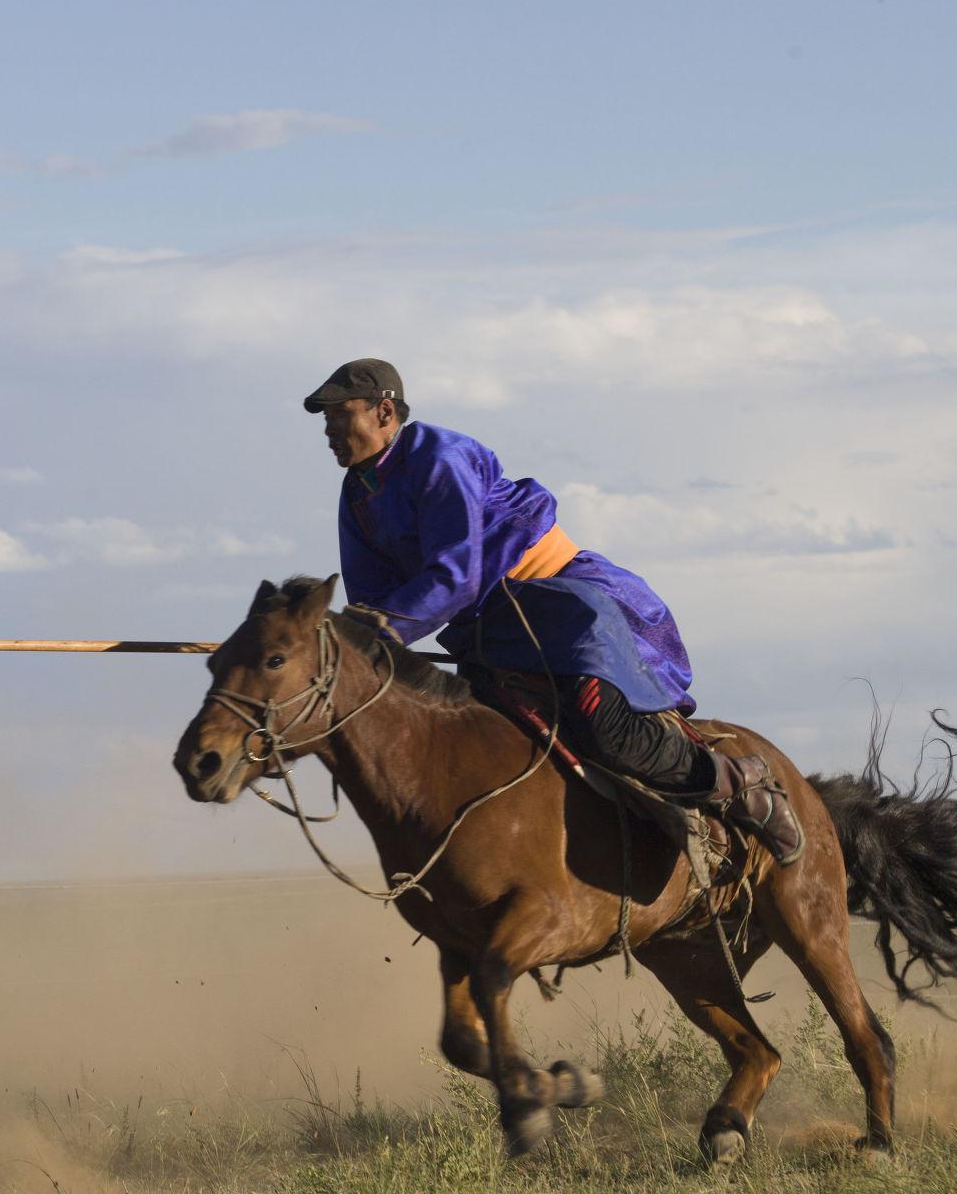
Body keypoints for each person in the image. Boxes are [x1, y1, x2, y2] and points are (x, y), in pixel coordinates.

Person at [305, 357, 804, 864]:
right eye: (325, 420)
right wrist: (347, 636)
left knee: (601, 723)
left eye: (338, 416)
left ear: (384, 412)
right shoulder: (358, 494)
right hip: (489, 630)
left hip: (564, 604)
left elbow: (458, 575)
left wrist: (382, 629)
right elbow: (371, 601)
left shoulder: (441, 458)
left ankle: (741, 783)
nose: (328, 431)